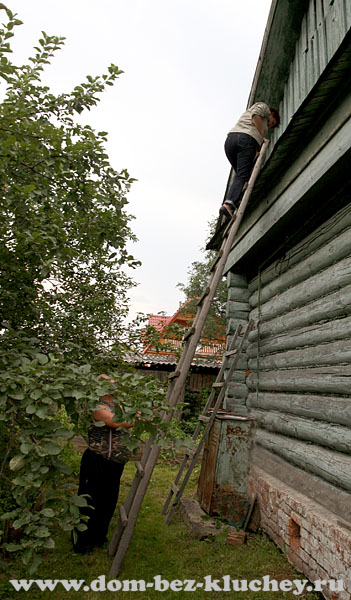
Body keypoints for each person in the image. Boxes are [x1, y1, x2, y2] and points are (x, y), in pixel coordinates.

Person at [72, 376, 134, 554]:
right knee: (90, 500)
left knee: (108, 500)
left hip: (115, 462)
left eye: (115, 382)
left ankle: (99, 537)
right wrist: (140, 417)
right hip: (97, 459)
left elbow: (129, 416)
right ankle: (82, 543)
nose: (114, 384)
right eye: (109, 382)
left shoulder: (118, 405)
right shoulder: (96, 406)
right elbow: (117, 423)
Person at [220, 102, 280, 220]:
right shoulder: (265, 109)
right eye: (272, 122)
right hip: (246, 139)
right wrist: (261, 133)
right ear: (272, 114)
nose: (269, 125)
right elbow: (256, 115)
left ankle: (233, 202)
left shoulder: (246, 119)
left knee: (241, 175)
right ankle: (228, 203)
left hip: (230, 142)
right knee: (243, 175)